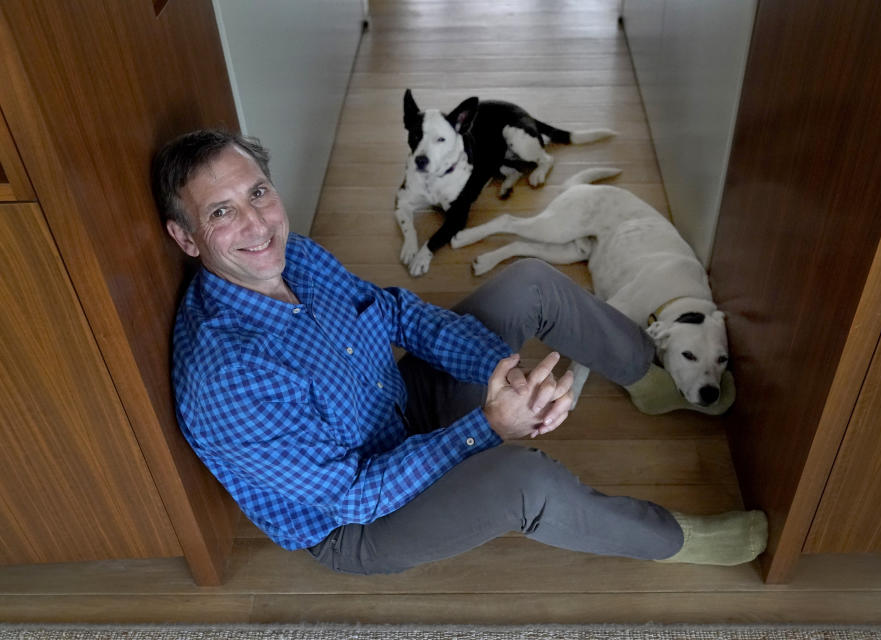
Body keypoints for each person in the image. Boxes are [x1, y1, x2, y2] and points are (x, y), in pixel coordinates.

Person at [152, 129, 767, 575]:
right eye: (222, 213)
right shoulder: (227, 378)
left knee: (529, 280)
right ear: (186, 237)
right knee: (527, 482)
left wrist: (500, 375)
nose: (258, 226)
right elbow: (353, 494)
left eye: (258, 193)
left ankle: (648, 379)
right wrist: (485, 427)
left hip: (394, 410)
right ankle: (679, 541)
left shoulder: (297, 256)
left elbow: (391, 310)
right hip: (360, 518)